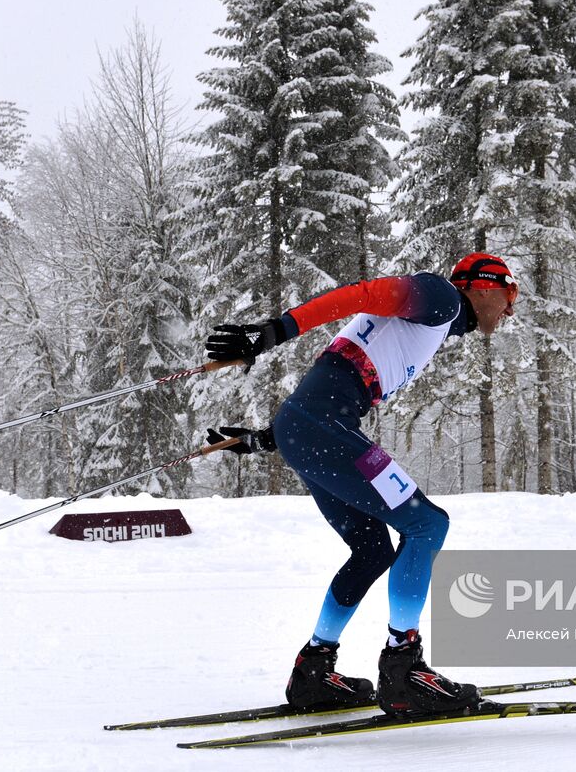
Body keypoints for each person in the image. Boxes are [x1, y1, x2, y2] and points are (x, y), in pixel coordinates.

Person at [203, 253, 517, 717]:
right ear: (484, 286)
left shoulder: (434, 322)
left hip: (306, 427)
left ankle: (314, 670)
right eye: (510, 295)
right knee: (428, 526)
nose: (510, 310)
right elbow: (360, 294)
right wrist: (276, 332)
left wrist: (264, 438)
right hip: (322, 428)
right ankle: (404, 667)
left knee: (372, 549)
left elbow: (332, 380)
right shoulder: (441, 297)